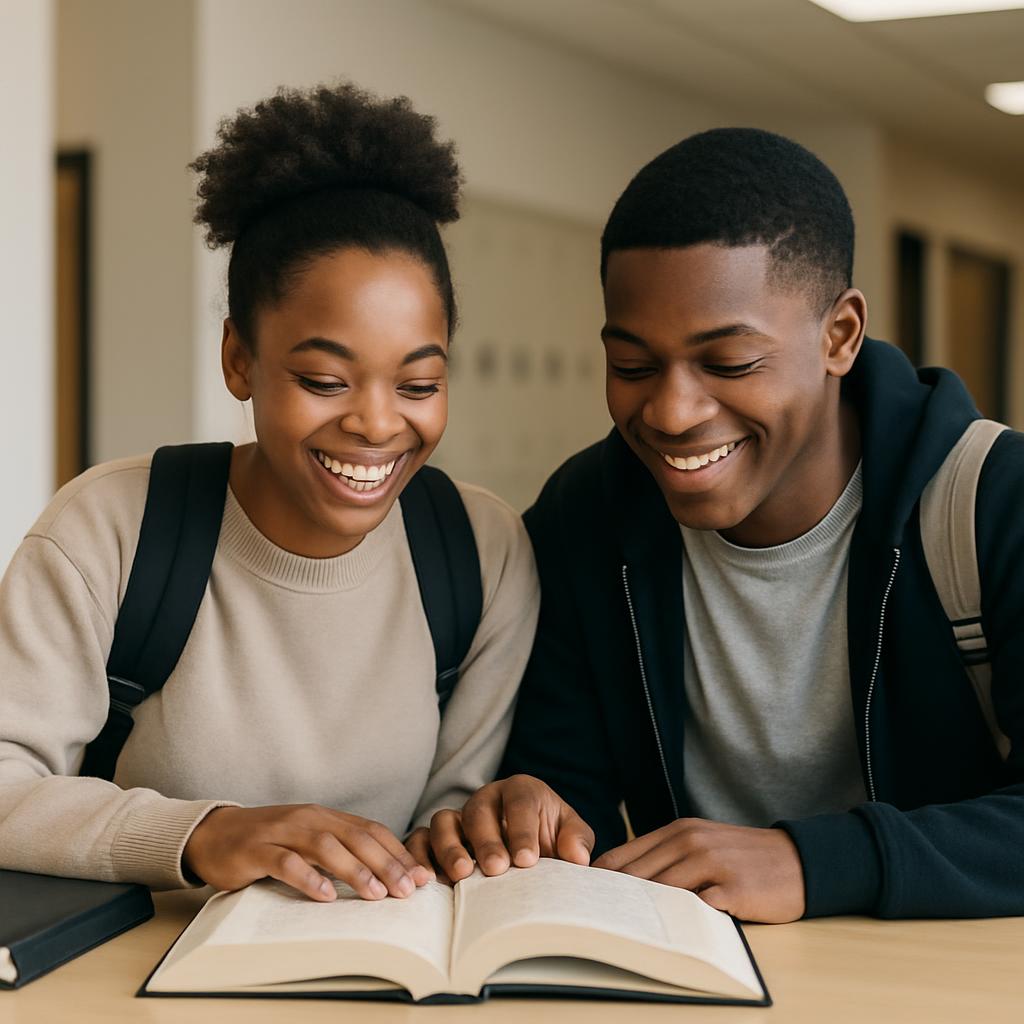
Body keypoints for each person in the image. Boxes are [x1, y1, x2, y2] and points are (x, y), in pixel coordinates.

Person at [418, 128, 1024, 922]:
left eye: (730, 364)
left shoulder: (994, 499)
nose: (671, 412)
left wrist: (816, 860)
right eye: (632, 366)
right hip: (708, 977)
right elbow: (566, 794)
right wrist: (534, 809)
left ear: (839, 335)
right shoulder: (585, 518)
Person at [0, 83, 537, 904]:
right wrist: (203, 832)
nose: (376, 422)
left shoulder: (481, 550)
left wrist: (481, 835)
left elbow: (452, 817)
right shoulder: (109, 530)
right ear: (240, 359)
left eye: (419, 382)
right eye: (324, 379)